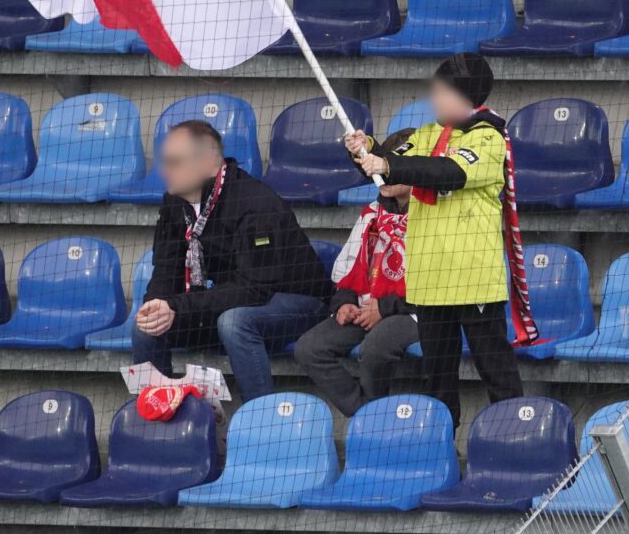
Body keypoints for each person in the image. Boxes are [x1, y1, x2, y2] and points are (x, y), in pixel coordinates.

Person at [344, 53, 532, 425]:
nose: (434, 98)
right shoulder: (427, 134)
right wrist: (365, 150)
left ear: (463, 94)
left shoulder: (488, 137)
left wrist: (388, 164)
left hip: (473, 280)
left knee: (496, 371)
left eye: (441, 91)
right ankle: (444, 445)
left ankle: (515, 438)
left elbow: (449, 171)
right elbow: (390, 170)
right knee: (439, 383)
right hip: (430, 283)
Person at [133, 119, 330, 403]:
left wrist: (176, 306)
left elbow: (254, 289)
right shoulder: (175, 202)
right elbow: (167, 268)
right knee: (145, 326)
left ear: (209, 163)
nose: (164, 171)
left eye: (175, 163)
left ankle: (259, 419)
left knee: (235, 322)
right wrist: (157, 305)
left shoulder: (255, 203)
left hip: (298, 304)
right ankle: (156, 416)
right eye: (164, 162)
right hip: (233, 299)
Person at [294, 130, 419, 416]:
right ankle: (367, 415)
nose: (383, 175)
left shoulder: (434, 217)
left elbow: (436, 286)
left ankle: (372, 423)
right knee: (309, 348)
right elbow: (349, 268)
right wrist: (345, 302)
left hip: (414, 311)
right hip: (368, 306)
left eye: (393, 168)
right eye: (382, 165)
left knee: (375, 347)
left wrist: (385, 308)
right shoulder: (372, 213)